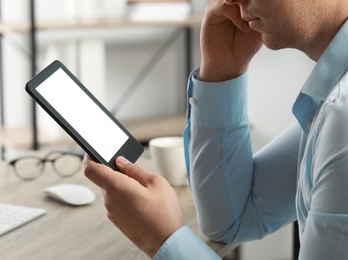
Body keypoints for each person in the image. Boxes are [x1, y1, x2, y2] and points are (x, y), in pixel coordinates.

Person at [84, 0, 348, 258]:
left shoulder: (343, 114)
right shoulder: (331, 107)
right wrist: (222, 68)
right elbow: (234, 220)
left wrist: (163, 241)